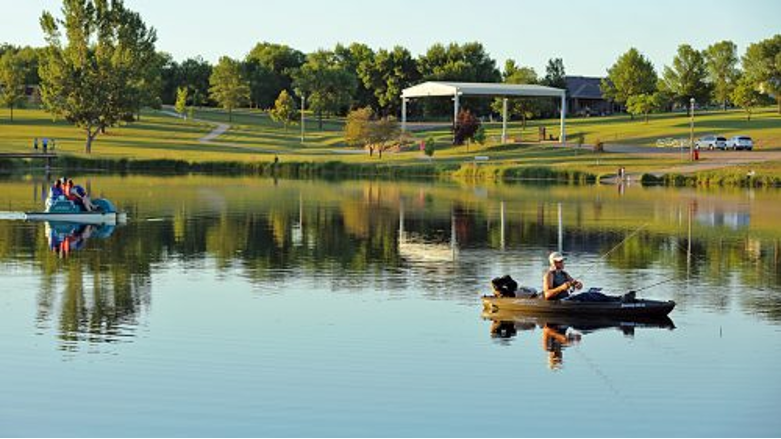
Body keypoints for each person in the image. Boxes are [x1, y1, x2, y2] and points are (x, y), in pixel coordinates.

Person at [543, 252, 618, 302]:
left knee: (593, 293)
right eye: (560, 261)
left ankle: (617, 299)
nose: (562, 263)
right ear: (554, 263)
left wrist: (578, 284)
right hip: (560, 301)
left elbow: (576, 284)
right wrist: (561, 288)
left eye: (562, 261)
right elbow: (547, 295)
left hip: (567, 299)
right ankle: (615, 301)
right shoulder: (549, 275)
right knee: (586, 295)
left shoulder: (564, 274)